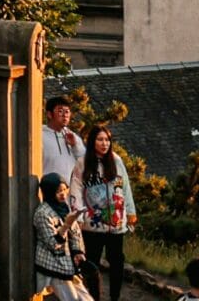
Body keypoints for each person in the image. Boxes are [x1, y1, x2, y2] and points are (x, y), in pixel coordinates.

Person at [81, 124, 133, 300]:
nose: (104, 143)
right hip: (92, 224)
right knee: (92, 262)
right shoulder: (83, 163)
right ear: (92, 141)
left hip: (115, 224)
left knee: (117, 262)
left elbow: (126, 188)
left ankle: (115, 298)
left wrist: (130, 212)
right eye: (100, 139)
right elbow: (76, 190)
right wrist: (80, 216)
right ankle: (93, 297)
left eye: (107, 140)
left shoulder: (116, 161)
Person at [34, 172, 92, 301]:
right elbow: (53, 244)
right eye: (58, 191)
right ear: (49, 192)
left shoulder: (64, 208)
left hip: (69, 264)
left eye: (65, 189)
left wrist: (78, 251)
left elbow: (76, 232)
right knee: (72, 298)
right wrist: (66, 224)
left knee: (86, 298)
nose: (63, 194)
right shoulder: (43, 213)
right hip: (54, 265)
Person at [41, 98, 86, 187]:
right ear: (49, 114)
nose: (65, 115)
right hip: (49, 193)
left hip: (71, 193)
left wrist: (74, 145)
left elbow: (85, 163)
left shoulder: (73, 137)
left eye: (67, 112)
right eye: (60, 111)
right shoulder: (40, 136)